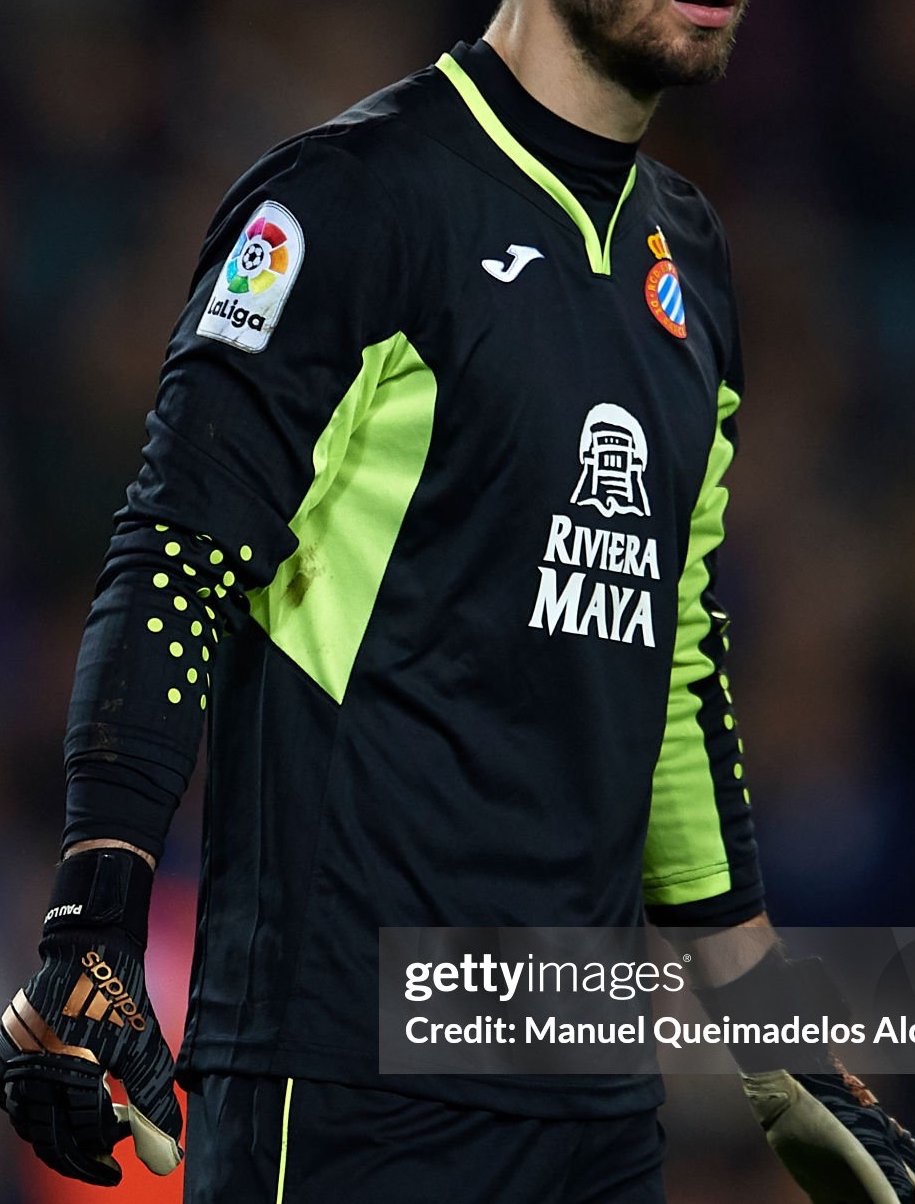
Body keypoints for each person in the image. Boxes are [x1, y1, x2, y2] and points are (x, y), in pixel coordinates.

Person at [2, 1, 914, 1200]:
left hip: (586, 1082)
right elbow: (176, 554)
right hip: (343, 1084)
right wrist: (93, 920)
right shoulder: (353, 199)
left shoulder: (689, 253)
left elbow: (668, 649)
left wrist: (766, 1017)